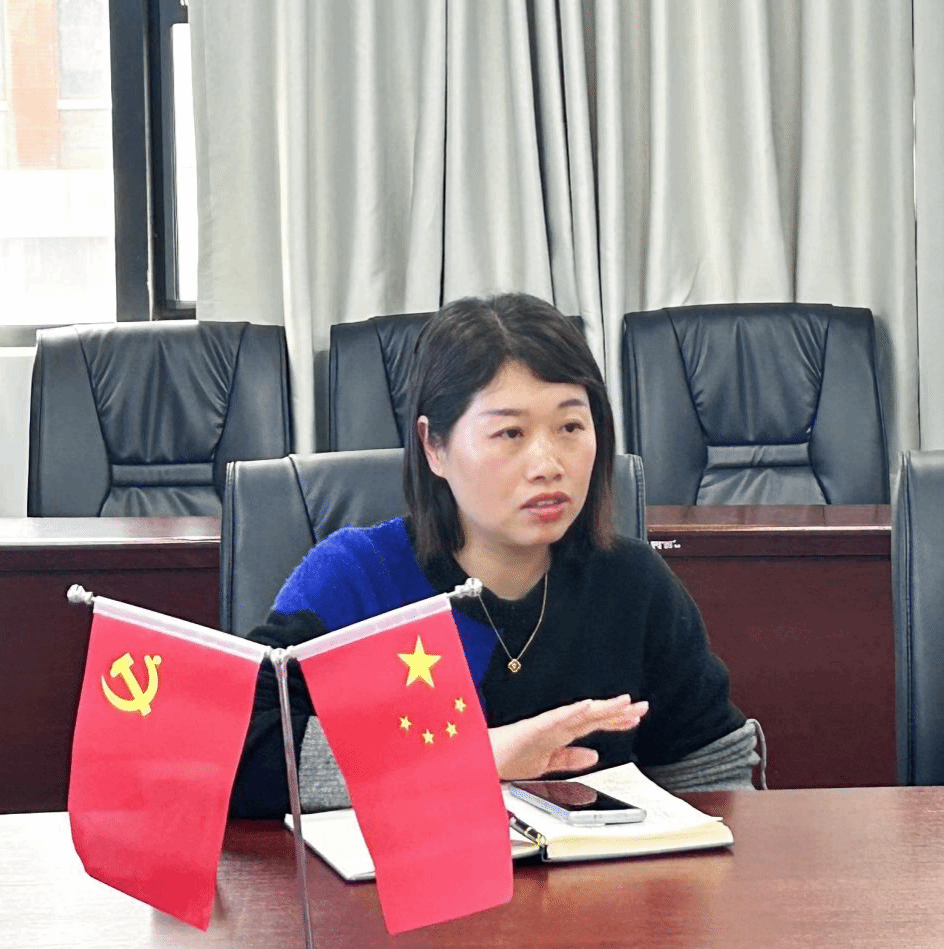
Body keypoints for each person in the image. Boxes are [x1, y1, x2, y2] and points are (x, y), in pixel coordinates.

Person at [230, 293, 759, 818]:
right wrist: (473, 757)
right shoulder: (357, 577)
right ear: (434, 446)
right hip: (406, 874)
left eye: (571, 427)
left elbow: (714, 775)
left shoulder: (633, 583)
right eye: (510, 433)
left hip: (591, 876)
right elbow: (232, 747)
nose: (547, 464)